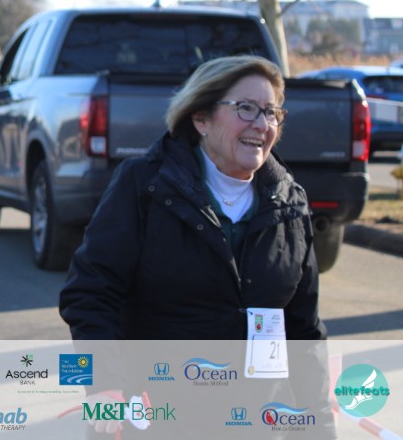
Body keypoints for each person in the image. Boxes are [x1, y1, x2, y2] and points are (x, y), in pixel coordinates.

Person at [59, 55, 331, 436]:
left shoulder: (290, 202)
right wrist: (102, 386)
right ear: (201, 118)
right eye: (246, 108)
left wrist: (319, 423)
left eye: (271, 113)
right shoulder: (144, 185)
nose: (262, 124)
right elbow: (87, 296)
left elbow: (304, 332)